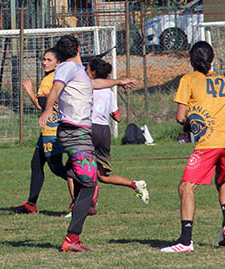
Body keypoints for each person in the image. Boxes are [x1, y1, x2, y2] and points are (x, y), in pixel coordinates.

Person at [161, 41, 225, 253]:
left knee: (185, 187)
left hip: (208, 144)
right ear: (212, 59)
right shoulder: (224, 80)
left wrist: (193, 123)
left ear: (191, 60)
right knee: (222, 181)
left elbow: (180, 117)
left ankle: (186, 241)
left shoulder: (187, 80)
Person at [38, 34, 97, 253]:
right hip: (74, 133)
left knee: (84, 179)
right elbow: (55, 89)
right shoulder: (67, 68)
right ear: (79, 48)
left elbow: (94, 83)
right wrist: (46, 111)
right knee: (90, 185)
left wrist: (118, 82)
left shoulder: (78, 70)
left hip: (80, 132)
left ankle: (76, 180)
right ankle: (72, 238)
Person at [10, 48, 68, 214]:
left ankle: (88, 187)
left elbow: (41, 105)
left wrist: (29, 91)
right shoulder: (57, 78)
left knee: (56, 167)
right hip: (52, 127)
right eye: (43, 59)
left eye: (49, 60)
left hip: (52, 128)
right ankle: (31, 204)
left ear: (58, 63)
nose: (44, 63)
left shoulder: (49, 80)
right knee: (36, 163)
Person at [84, 58, 147, 203]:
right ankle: (134, 184)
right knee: (102, 176)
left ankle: (83, 202)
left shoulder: (88, 87)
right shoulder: (109, 92)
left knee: (76, 169)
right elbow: (118, 117)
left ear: (93, 72)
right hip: (104, 131)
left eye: (87, 69)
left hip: (90, 128)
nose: (85, 72)